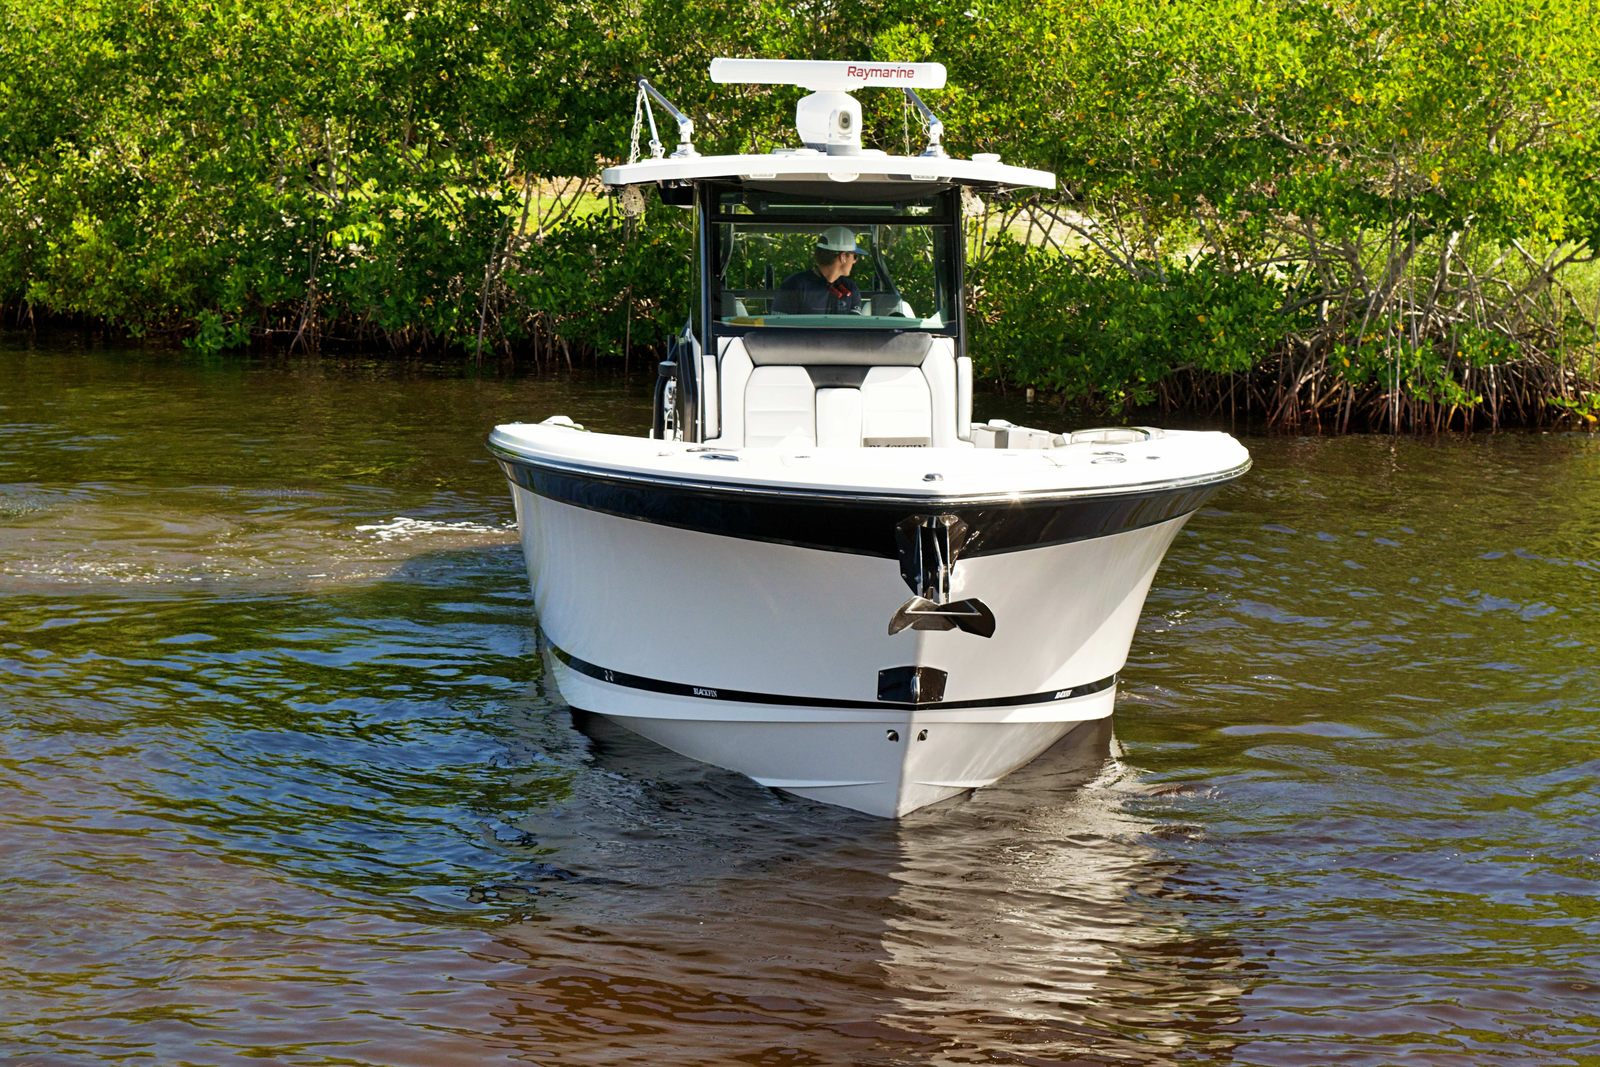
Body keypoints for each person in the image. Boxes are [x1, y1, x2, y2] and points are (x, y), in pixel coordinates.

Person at [775, 226, 865, 314]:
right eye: (855, 256)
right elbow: (778, 323)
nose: (854, 261)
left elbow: (856, 322)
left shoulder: (850, 288)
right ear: (843, 257)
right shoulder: (794, 286)